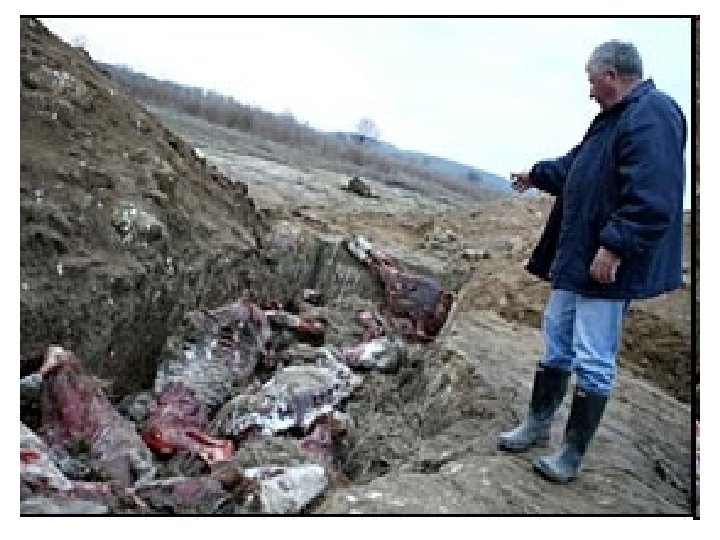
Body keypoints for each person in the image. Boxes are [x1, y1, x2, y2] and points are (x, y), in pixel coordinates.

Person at [497, 40, 687, 483]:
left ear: (611, 76)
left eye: (591, 80)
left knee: (593, 354)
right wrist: (536, 174)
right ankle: (537, 424)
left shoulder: (653, 114)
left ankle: (571, 454)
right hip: (578, 257)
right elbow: (577, 167)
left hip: (608, 265)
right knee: (557, 338)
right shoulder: (614, 119)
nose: (588, 90)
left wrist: (615, 245)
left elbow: (655, 195)